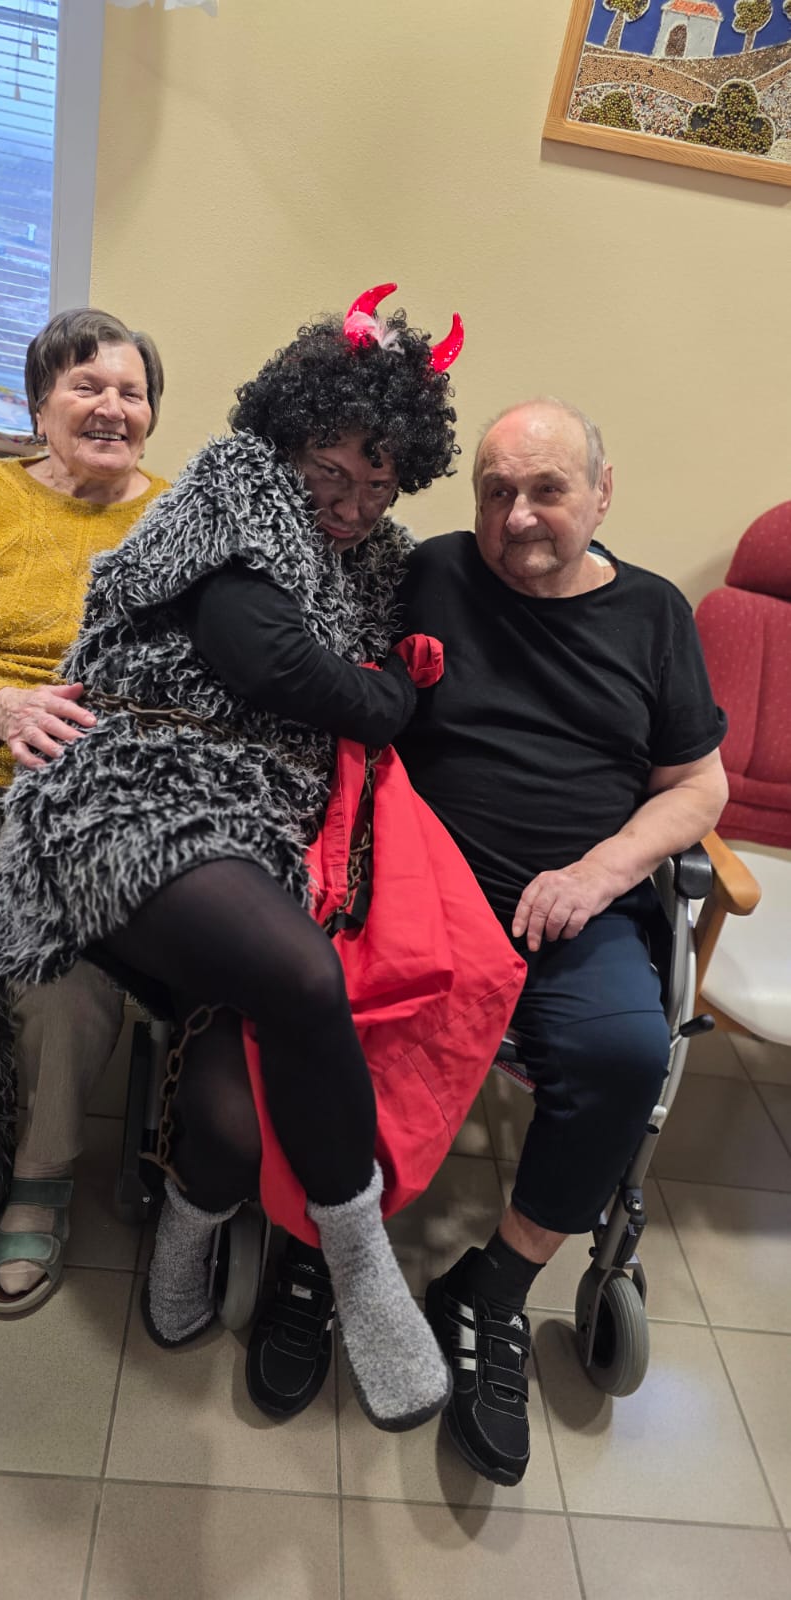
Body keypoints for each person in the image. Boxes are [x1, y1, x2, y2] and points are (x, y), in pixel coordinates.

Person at [0, 284, 512, 1434]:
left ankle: (191, 1225)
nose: (351, 504)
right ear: (287, 439)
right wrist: (385, 697)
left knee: (233, 1091)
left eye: (377, 483)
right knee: (300, 974)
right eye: (330, 472)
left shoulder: (376, 559)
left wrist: (389, 685)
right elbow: (269, 661)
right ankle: (359, 1258)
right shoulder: (231, 490)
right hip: (134, 788)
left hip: (263, 823)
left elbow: (379, 674)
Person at [395, 397, 729, 1483]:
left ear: (602, 492)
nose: (519, 516)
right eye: (497, 491)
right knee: (332, 1013)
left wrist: (600, 873)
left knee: (624, 1055)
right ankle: (317, 1251)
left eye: (548, 489)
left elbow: (699, 786)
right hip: (426, 895)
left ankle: (490, 1289)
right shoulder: (432, 572)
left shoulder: (653, 614)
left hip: (576, 908)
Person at [0, 307, 168, 1317]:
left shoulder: (174, 519)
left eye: (131, 391)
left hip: (84, 783)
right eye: (86, 386)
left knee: (69, 965)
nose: (111, 407)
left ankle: (42, 1181)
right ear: (40, 405)